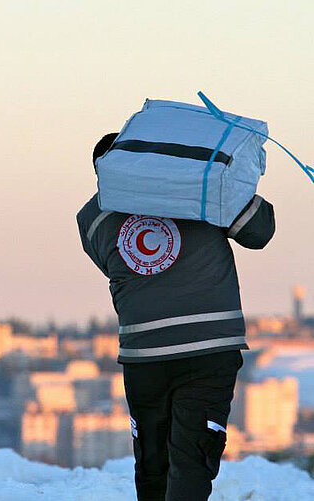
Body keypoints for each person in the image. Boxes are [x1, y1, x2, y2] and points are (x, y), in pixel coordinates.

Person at [76, 134, 275, 501]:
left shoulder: (92, 218)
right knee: (193, 456)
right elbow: (259, 231)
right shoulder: (202, 189)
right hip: (210, 347)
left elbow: (116, 267)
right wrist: (233, 181)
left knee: (153, 458)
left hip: (145, 354)